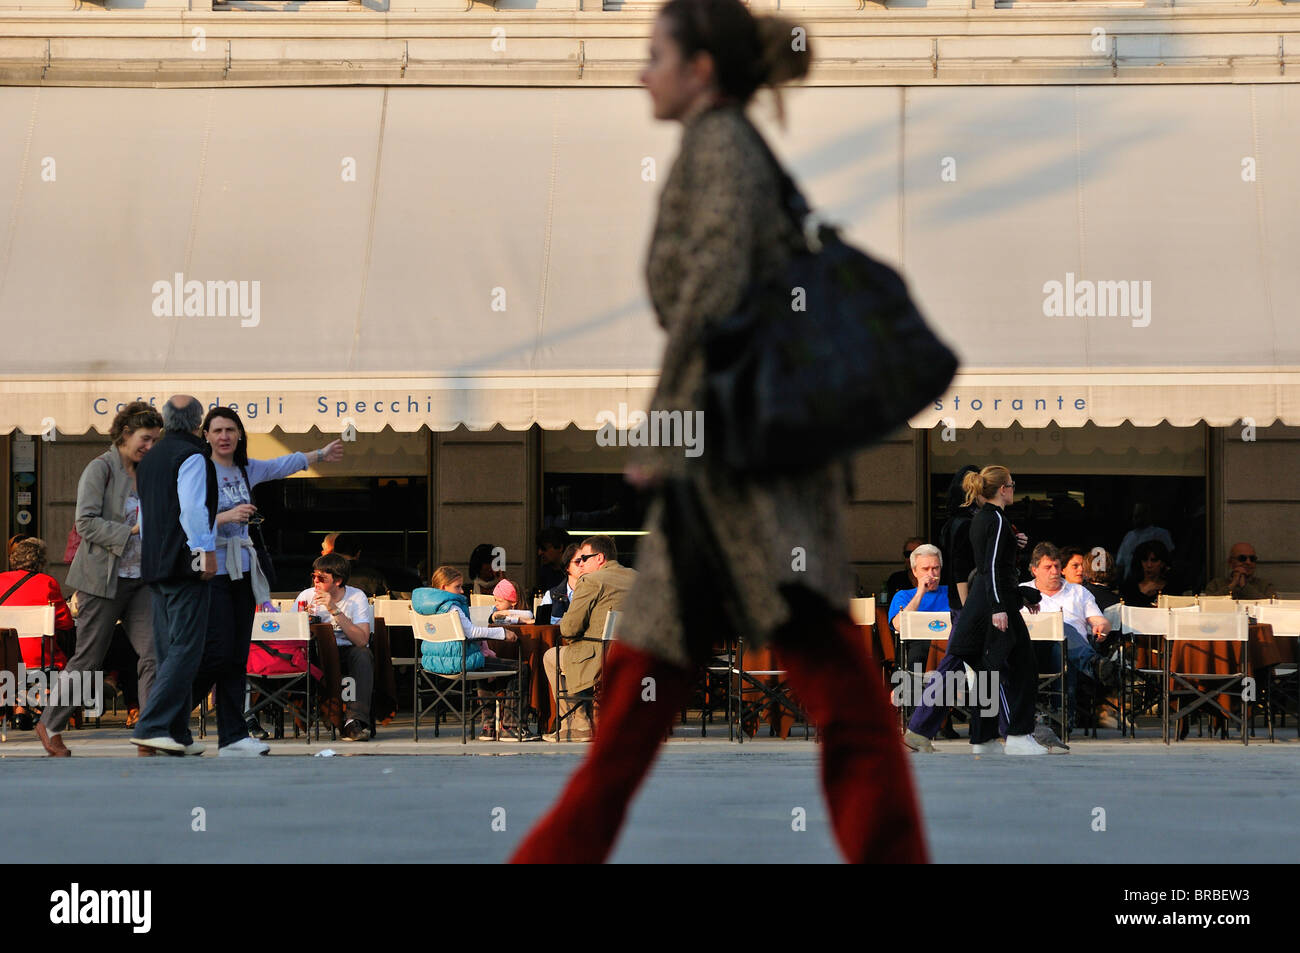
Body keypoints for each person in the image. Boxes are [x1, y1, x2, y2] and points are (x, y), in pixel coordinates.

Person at [511, 0, 926, 863]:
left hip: (741, 466)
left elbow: (715, 297)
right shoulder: (726, 143)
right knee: (646, 686)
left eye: (654, 54)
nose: (640, 72)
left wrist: (668, 432)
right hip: (737, 466)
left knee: (816, 679)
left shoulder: (722, 145)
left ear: (701, 67)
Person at [195, 407, 343, 757]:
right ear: (206, 435)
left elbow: (282, 464)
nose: (224, 436)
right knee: (216, 653)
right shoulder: (198, 471)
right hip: (212, 570)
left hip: (244, 572)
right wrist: (228, 516)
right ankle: (169, 717)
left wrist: (320, 455)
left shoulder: (246, 468)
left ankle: (233, 736)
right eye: (217, 430)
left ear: (240, 435)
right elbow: (188, 519)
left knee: (236, 655)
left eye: (231, 430)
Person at [36, 402, 163, 757]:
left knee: (154, 652)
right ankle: (50, 723)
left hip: (142, 578)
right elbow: (86, 522)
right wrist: (132, 530)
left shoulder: (148, 472)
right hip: (102, 578)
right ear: (125, 434)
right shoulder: (100, 468)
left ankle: (150, 732)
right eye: (145, 439)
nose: (150, 447)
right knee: (88, 657)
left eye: (155, 440)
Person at [130, 395, 217, 756]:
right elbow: (194, 509)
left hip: (156, 566)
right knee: (186, 649)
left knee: (169, 651)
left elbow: (143, 517)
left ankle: (177, 732)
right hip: (185, 565)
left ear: (166, 421)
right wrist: (205, 551)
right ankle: (152, 725)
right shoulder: (193, 456)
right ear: (199, 423)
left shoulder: (149, 460)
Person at [944, 466, 1048, 756]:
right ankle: (1018, 736)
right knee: (1024, 669)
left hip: (983, 604)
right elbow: (991, 568)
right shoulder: (998, 520)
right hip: (994, 605)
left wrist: (1013, 548)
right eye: (1012, 485)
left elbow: (991, 564)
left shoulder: (982, 519)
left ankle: (984, 739)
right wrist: (1001, 607)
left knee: (987, 673)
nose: (1014, 489)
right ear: (1003, 488)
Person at [541, 535, 636, 743]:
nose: (581, 563)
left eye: (584, 558)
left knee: (550, 656)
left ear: (600, 558)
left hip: (600, 657)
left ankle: (577, 723)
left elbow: (569, 628)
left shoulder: (592, 581)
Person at [415, 565, 520, 740]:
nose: (462, 590)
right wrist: (502, 633)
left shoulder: (424, 608)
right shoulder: (451, 607)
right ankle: (510, 726)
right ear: (443, 588)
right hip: (460, 662)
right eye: (457, 586)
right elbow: (471, 632)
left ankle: (488, 726)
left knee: (483, 664)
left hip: (433, 664)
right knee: (519, 668)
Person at [1021, 542, 1114, 731]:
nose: (1054, 571)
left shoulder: (1078, 592)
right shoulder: (1021, 591)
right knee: (1059, 625)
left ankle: (1061, 719)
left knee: (1062, 645)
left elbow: (1100, 621)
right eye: (1048, 567)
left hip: (1069, 654)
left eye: (1056, 566)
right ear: (1034, 570)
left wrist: (1100, 627)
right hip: (1032, 655)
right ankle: (1094, 664)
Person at [296, 554, 374, 742]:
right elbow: (293, 636)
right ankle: (307, 714)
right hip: (318, 651)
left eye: (321, 578)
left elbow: (362, 640)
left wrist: (334, 609)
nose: (315, 581)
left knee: (363, 655)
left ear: (338, 581)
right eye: (314, 576)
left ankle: (354, 720)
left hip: (346, 651)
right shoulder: (306, 596)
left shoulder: (356, 597)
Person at [0, 538, 73, 730]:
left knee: (16, 666)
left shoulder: (0, 580)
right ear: (40, 561)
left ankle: (20, 708)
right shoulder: (48, 582)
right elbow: (66, 623)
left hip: (4, 659)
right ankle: (35, 703)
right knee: (61, 647)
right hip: (39, 659)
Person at [889, 544, 948, 675]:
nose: (931, 574)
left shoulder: (952, 594)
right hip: (917, 658)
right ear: (914, 571)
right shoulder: (903, 596)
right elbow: (899, 626)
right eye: (925, 569)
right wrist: (920, 592)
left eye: (935, 568)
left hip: (949, 656)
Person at [1115, 503, 1175, 583]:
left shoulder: (1160, 534)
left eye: (1139, 515)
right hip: (1129, 582)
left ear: (1147, 515)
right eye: (1134, 515)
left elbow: (1169, 558)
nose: (1136, 518)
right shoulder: (1129, 536)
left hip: (1154, 583)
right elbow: (1120, 564)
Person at [322, 532, 388, 598]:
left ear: (334, 551)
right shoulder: (374, 577)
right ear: (358, 553)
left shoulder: (320, 575)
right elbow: (385, 601)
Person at [1204, 543, 1277, 600]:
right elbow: (1208, 604)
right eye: (1242, 558)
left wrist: (1245, 587)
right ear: (1230, 562)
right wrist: (1232, 585)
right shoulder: (1216, 584)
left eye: (1252, 559)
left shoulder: (1265, 586)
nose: (1248, 562)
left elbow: (1270, 606)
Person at [1119, 539, 1177, 608]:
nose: (1149, 565)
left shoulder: (1172, 588)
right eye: (1145, 560)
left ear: (1163, 563)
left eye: (1154, 560)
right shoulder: (1129, 588)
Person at [536, 543, 581, 623]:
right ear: (567, 566)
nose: (582, 565)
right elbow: (542, 624)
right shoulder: (551, 594)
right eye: (578, 561)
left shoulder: (595, 592)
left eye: (585, 561)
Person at [884, 537, 925, 605]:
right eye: (908, 554)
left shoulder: (934, 580)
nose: (911, 559)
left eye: (916, 554)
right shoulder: (896, 579)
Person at [536, 528, 572, 594]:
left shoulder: (573, 573)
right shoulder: (544, 572)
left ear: (560, 547)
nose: (540, 553)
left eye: (544, 548)